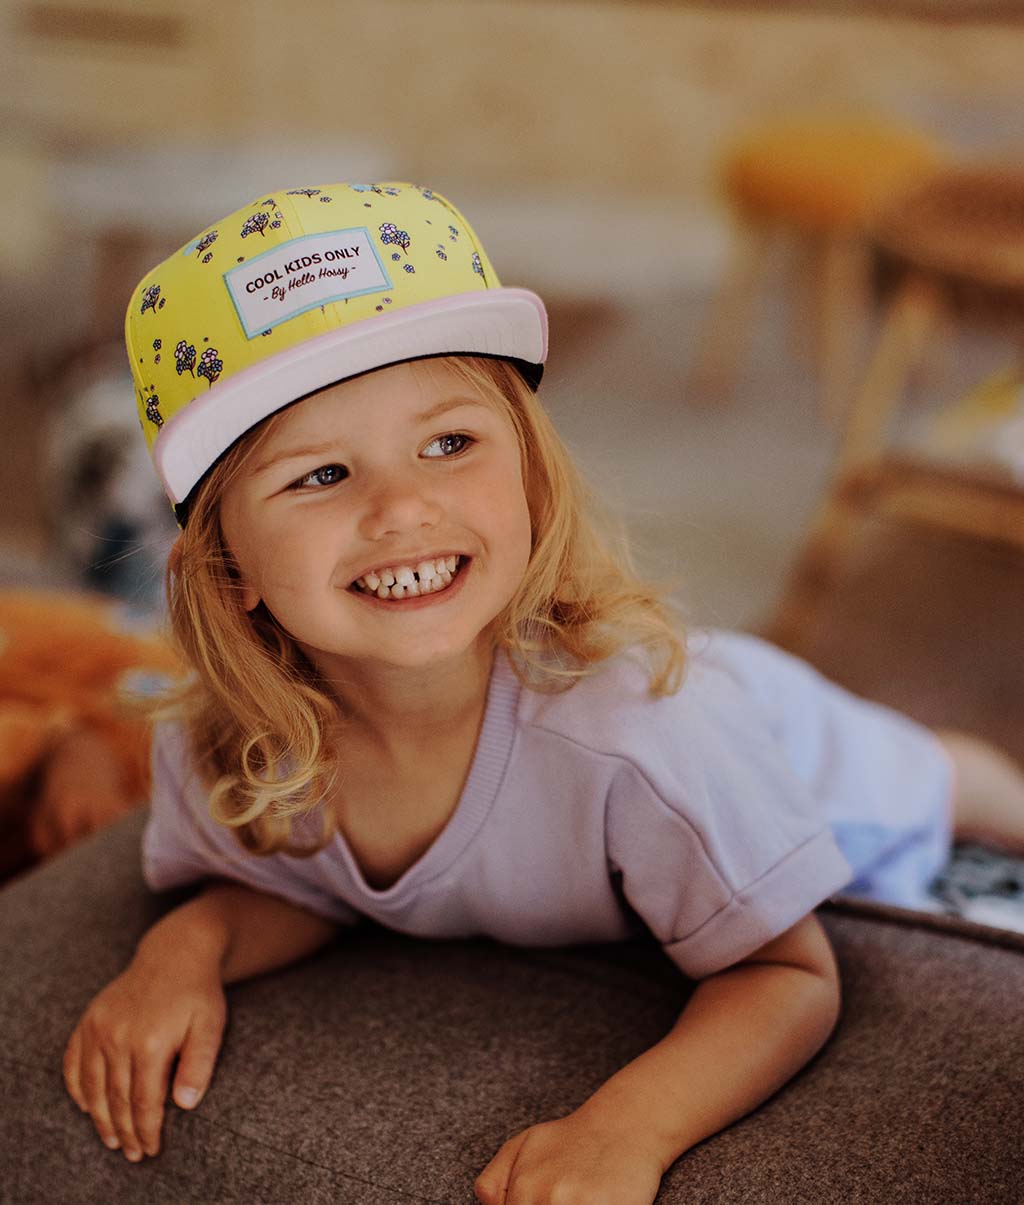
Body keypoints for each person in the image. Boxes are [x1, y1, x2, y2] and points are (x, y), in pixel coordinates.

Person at [61, 182, 1024, 1201]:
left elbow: (787, 974)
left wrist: (623, 1128)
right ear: (227, 568)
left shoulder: (646, 736)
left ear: (528, 471)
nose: (402, 508)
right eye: (320, 475)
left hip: (806, 758)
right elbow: (304, 887)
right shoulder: (233, 748)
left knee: (943, 778)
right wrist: (187, 944)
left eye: (448, 442)